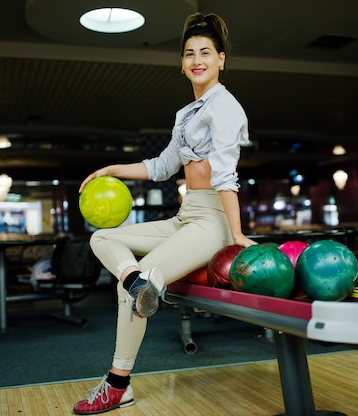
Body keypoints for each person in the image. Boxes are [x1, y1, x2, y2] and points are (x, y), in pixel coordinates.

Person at [72, 12, 257, 415]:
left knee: (145, 280)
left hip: (212, 220)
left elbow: (226, 175)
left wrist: (237, 234)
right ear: (181, 63)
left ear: (221, 59)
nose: (197, 60)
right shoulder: (186, 114)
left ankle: (118, 383)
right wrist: (110, 169)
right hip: (185, 216)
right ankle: (136, 281)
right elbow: (160, 167)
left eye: (205, 52)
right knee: (103, 238)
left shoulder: (225, 107)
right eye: (189, 53)